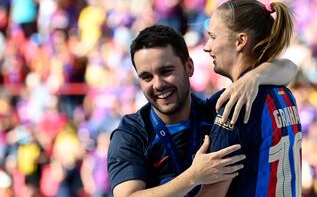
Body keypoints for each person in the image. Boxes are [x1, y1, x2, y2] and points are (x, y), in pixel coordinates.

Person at [107, 25, 298, 197]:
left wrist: (253, 78)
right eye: (147, 77)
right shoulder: (131, 133)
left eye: (166, 71)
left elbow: (289, 68)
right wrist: (193, 176)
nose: (158, 84)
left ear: (189, 67)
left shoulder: (216, 110)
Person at [199, 0, 302, 197]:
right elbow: (290, 67)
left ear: (240, 41)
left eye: (212, 36)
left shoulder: (237, 103)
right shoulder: (285, 93)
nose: (206, 46)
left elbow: (212, 194)